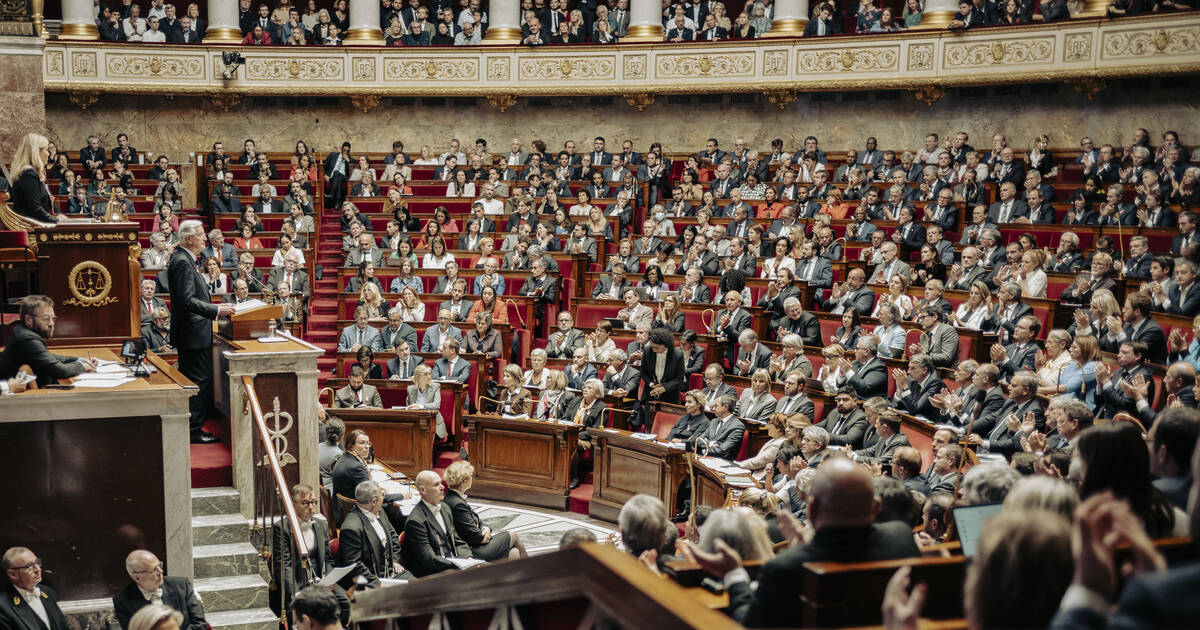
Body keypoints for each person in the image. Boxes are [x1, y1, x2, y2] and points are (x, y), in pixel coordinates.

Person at [683, 458, 919, 627]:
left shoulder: (786, 568)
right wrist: (804, 549)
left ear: (812, 510)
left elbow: (749, 623)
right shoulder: (901, 537)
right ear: (875, 507)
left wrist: (733, 573)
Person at [170, 221, 234, 443]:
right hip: (192, 334)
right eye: (200, 236)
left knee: (197, 379)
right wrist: (217, 310)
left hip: (194, 332)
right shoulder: (181, 261)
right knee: (198, 380)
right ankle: (193, 429)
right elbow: (186, 301)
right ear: (189, 239)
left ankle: (192, 426)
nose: (204, 240)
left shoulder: (185, 258)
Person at [0, 295, 94, 391]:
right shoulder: (27, 339)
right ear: (28, 319)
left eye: (52, 318)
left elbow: (48, 356)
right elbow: (60, 371)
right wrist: (82, 366)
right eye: (46, 318)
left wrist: (79, 359)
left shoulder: (23, 331)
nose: (51, 324)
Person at [442, 461, 528, 561]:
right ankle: (532, 569)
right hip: (472, 550)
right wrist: (484, 533)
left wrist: (485, 528)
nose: (472, 479)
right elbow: (475, 536)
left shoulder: (452, 497)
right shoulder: (457, 504)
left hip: (474, 544)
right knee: (512, 535)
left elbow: (477, 521)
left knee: (515, 553)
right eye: (470, 476)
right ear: (464, 481)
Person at [401, 470, 473, 578]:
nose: (442, 487)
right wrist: (458, 565)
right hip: (433, 573)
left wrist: (468, 558)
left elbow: (456, 540)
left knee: (488, 569)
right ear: (423, 490)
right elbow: (429, 559)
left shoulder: (445, 508)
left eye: (440, 483)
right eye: (436, 484)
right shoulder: (416, 521)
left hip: (452, 563)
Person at [113, 550, 206, 630]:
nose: (161, 571)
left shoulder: (181, 585)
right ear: (137, 577)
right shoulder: (122, 601)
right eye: (154, 569)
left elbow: (200, 623)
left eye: (159, 565)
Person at [338, 480, 411, 581]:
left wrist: (395, 560)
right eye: (383, 495)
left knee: (422, 588)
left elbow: (393, 536)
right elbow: (354, 567)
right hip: (372, 580)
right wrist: (378, 584)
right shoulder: (351, 528)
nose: (383, 497)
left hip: (393, 571)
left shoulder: (380, 512)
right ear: (374, 501)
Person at [0, 547, 68, 630]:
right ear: (13, 574)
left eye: (37, 563)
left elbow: (63, 626)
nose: (38, 569)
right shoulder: (3, 606)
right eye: (29, 566)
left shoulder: (48, 593)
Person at [7, 133, 58, 224]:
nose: (49, 153)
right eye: (46, 150)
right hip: (31, 229)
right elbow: (36, 209)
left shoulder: (28, 173)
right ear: (36, 152)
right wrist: (58, 221)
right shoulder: (28, 174)